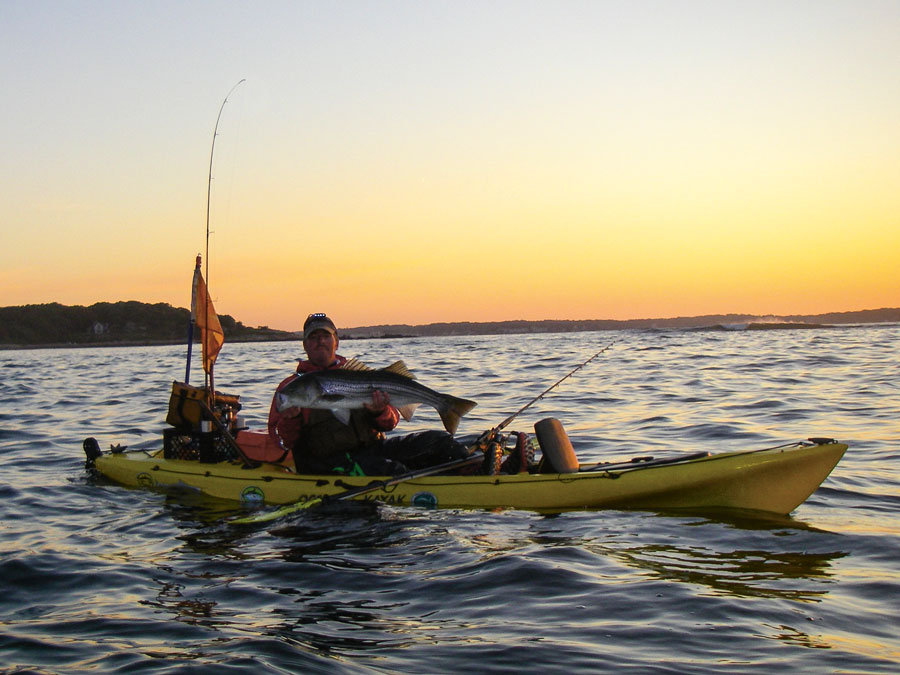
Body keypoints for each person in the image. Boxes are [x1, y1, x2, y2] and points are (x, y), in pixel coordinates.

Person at [268, 313, 471, 476]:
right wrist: (290, 420)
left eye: (325, 336)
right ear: (305, 345)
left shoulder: (359, 374)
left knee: (441, 442)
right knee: (392, 471)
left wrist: (380, 411)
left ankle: (473, 474)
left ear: (336, 341)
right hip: (326, 463)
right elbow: (281, 441)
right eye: (313, 337)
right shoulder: (290, 387)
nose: (319, 341)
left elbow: (390, 424)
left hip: (373, 450)